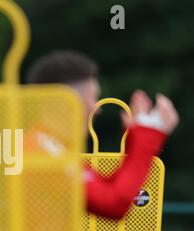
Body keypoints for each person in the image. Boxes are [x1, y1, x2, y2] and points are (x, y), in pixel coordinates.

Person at [26, 50, 179, 219]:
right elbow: (112, 203)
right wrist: (148, 136)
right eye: (91, 99)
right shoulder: (42, 151)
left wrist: (137, 139)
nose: (96, 109)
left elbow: (108, 188)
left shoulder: (47, 145)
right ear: (63, 102)